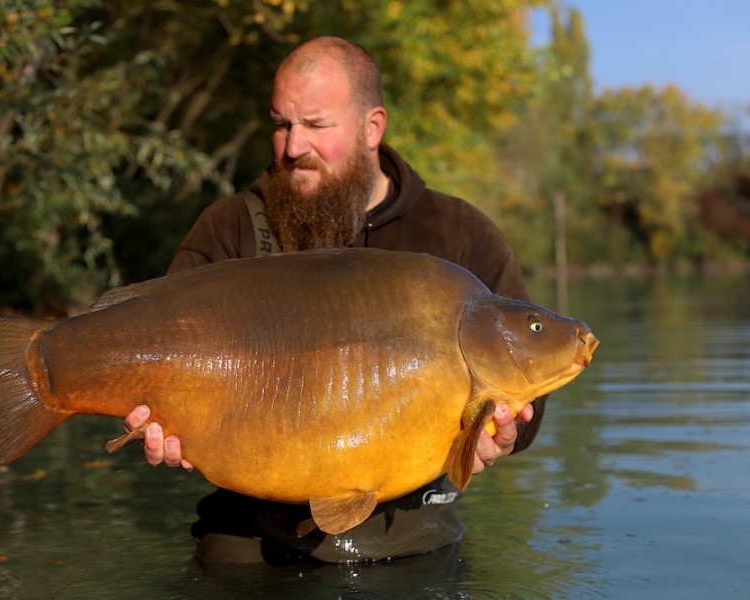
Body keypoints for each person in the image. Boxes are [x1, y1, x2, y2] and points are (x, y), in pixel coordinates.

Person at [122, 36, 544, 564]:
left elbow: (531, 394)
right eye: (281, 124)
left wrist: (502, 437)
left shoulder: (458, 236)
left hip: (411, 543)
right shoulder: (231, 228)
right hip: (248, 537)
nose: (294, 146)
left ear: (373, 127)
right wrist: (154, 426)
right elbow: (150, 361)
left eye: (316, 126)